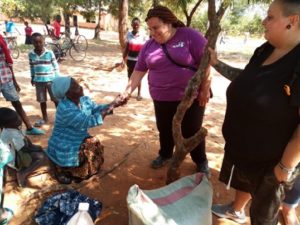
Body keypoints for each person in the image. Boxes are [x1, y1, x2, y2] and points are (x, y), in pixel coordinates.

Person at [209, 0, 300, 224]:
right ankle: (236, 210)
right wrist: (217, 64)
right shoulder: (265, 49)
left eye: (270, 17)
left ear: (293, 21)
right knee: (244, 185)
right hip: (244, 152)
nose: (263, 21)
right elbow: (250, 79)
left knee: (263, 217)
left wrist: (283, 169)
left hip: (271, 165)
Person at [120, 6, 211, 173]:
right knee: (164, 128)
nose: (153, 32)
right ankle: (165, 154)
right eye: (150, 29)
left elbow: (206, 62)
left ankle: (201, 160)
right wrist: (127, 91)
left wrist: (205, 89)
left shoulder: (190, 36)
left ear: (169, 23)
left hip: (190, 98)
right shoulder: (148, 46)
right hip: (161, 98)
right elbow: (138, 71)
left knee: (192, 130)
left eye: (156, 28)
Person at [47, 76, 124, 184]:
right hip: (64, 143)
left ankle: (76, 170)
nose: (80, 87)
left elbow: (96, 109)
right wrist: (111, 106)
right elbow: (87, 121)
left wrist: (114, 104)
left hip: (77, 138)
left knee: (92, 143)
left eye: (77, 84)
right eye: (75, 86)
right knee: (77, 151)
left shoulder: (84, 100)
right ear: (67, 94)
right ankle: (62, 169)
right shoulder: (65, 108)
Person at [0, 33, 44, 135]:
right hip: (5, 77)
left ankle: (29, 128)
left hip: (6, 77)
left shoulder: (1, 40)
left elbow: (8, 62)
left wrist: (14, 81)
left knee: (17, 103)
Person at [0, 107, 46, 187]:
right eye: (15, 120)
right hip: (14, 159)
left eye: (18, 116)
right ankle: (23, 173)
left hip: (17, 149)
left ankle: (33, 151)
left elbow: (24, 137)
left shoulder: (13, 127)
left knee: (38, 148)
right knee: (41, 157)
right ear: (6, 125)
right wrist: (34, 150)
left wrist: (33, 147)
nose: (19, 120)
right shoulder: (12, 134)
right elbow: (23, 149)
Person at [29, 32, 60, 127]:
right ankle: (45, 118)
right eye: (36, 42)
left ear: (43, 42)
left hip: (51, 80)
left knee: (56, 100)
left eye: (40, 42)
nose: (38, 44)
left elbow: (55, 66)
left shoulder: (49, 53)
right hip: (38, 81)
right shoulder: (31, 54)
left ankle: (60, 118)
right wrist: (32, 77)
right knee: (42, 101)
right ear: (32, 43)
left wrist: (57, 78)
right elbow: (32, 67)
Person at [122, 17, 148, 101]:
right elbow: (126, 48)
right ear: (132, 25)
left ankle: (139, 93)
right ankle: (128, 93)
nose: (135, 26)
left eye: (137, 25)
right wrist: (123, 59)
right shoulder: (128, 34)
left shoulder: (144, 35)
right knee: (130, 76)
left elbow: (146, 49)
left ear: (139, 25)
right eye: (134, 25)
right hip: (130, 59)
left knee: (138, 77)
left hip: (139, 60)